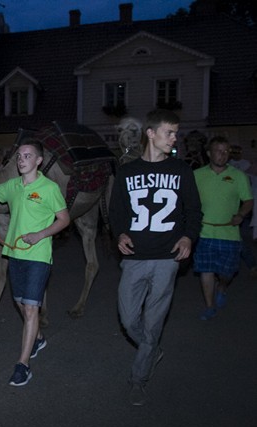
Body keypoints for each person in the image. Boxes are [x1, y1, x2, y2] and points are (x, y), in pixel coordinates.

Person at [0, 139, 70, 387]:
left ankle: (23, 365)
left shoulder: (49, 188)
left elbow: (64, 219)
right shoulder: (12, 186)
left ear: (38, 161)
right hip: (14, 255)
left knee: (30, 309)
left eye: (27, 156)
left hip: (38, 256)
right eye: (19, 156)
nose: (21, 160)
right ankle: (37, 337)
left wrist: (40, 235)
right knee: (20, 303)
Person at [108, 108, 202, 406]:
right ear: (151, 133)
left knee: (153, 321)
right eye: (169, 132)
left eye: (175, 133)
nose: (174, 138)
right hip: (134, 257)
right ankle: (152, 348)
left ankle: (139, 378)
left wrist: (188, 236)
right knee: (127, 317)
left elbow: (194, 212)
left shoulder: (181, 170)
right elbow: (116, 212)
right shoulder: (127, 171)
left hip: (167, 258)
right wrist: (120, 233)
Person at [193, 137, 254, 320]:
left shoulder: (239, 176)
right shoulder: (197, 175)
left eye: (226, 151)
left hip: (229, 233)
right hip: (204, 232)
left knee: (227, 272)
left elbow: (249, 201)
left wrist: (241, 215)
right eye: (218, 151)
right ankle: (210, 306)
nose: (223, 154)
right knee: (206, 269)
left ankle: (222, 286)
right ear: (209, 153)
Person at [227, 145, 257, 277]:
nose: (235, 154)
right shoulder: (228, 165)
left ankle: (252, 265)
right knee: (235, 238)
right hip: (230, 203)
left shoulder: (246, 164)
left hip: (242, 204)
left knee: (238, 238)